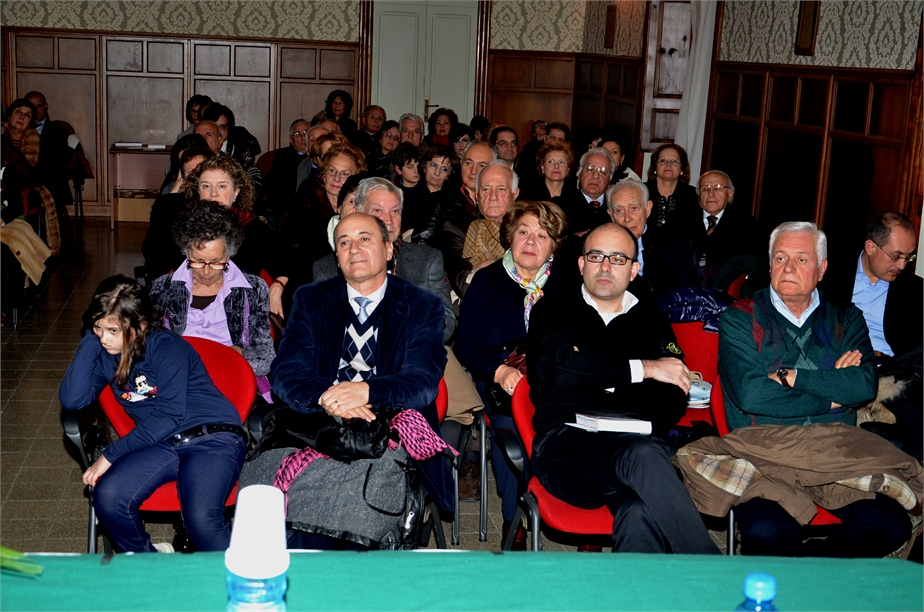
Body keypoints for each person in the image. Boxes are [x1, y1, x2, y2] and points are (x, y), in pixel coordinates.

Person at [255, 213, 452, 545]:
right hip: (317, 420)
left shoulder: (422, 305)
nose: (354, 248)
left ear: (389, 250)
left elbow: (422, 380)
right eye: (344, 242)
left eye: (365, 238)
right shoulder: (311, 299)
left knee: (358, 502)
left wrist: (365, 391)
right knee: (285, 501)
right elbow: (286, 372)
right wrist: (331, 398)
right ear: (337, 257)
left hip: (387, 423)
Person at [717, 221, 911, 557]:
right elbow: (752, 395)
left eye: (802, 259)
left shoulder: (845, 317)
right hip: (765, 454)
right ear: (769, 265)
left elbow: (863, 385)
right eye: (780, 258)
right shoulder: (740, 318)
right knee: (766, 530)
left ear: (822, 269)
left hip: (834, 454)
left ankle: (812, 571)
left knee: (890, 524)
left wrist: (794, 377)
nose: (788, 267)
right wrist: (832, 395)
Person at [526, 222, 720, 554]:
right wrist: (645, 369)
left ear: (633, 270)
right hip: (566, 447)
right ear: (581, 264)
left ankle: (633, 587)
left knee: (640, 511)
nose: (605, 266)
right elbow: (561, 373)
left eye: (617, 259)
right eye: (596, 256)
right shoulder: (551, 310)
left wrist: (591, 374)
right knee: (643, 454)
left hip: (635, 441)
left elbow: (674, 396)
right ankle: (711, 572)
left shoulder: (652, 320)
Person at [59, 275, 248, 553]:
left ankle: (240, 577)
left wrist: (110, 455)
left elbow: (169, 416)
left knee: (200, 519)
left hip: (211, 437)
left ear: (141, 325)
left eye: (113, 330)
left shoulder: (165, 346)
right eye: (99, 327)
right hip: (162, 443)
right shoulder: (106, 355)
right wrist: (89, 339)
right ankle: (151, 566)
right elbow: (73, 400)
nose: (104, 338)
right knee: (109, 496)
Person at [454, 200, 568, 549]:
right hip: (502, 378)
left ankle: (577, 507)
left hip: (556, 377)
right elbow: (466, 344)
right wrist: (499, 370)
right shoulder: (488, 281)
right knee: (513, 427)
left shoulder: (567, 283)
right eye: (524, 232)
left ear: (553, 245)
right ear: (510, 238)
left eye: (542, 235)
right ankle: (514, 519)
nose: (531, 241)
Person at [822, 211, 922, 460]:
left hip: (891, 372)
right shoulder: (829, 275)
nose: (902, 265)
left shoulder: (915, 290)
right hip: (839, 365)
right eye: (896, 256)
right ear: (870, 247)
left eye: (908, 257)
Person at [312, 177, 456, 343]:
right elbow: (322, 326)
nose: (388, 220)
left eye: (394, 211)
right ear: (359, 213)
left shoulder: (427, 260)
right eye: (378, 210)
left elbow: (445, 320)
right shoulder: (328, 268)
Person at [148, 201, 274, 380]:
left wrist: (237, 353)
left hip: (231, 374)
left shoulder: (253, 290)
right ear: (186, 252)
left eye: (216, 262)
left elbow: (266, 357)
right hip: (177, 375)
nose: (206, 272)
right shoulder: (163, 288)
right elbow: (149, 345)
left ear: (229, 254)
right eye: (198, 261)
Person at [184, 155, 289, 318]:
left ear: (236, 192)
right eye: (206, 186)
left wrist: (277, 286)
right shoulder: (184, 228)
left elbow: (288, 263)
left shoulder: (253, 229)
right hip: (192, 310)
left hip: (241, 312)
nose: (213, 194)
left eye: (222, 186)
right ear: (198, 191)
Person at [281, 144, 366, 289]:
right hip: (307, 281)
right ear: (324, 175)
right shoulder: (307, 204)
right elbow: (289, 251)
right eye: (332, 171)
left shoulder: (361, 207)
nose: (337, 178)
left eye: (344, 174)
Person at [606, 179, 697, 300]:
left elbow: (687, 294)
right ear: (611, 216)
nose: (627, 218)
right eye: (619, 211)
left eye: (633, 208)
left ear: (648, 209)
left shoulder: (677, 246)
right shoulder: (600, 247)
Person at [431, 142, 498, 298]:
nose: (473, 171)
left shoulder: (502, 205)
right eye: (468, 163)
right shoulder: (440, 200)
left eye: (482, 165)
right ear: (461, 163)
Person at [682, 169, 764, 287]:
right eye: (705, 188)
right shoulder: (680, 222)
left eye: (718, 188)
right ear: (699, 195)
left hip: (728, 291)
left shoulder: (747, 226)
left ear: (730, 194)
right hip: (684, 290)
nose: (711, 193)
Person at [142, 146, 211, 284]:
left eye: (201, 169)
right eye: (192, 172)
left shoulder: (228, 205)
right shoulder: (168, 206)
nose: (197, 176)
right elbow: (153, 251)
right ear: (183, 178)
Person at [262, 119, 311, 229]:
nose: (303, 138)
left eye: (306, 132)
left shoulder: (319, 157)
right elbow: (271, 187)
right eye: (298, 134)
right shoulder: (282, 156)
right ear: (291, 140)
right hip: (285, 208)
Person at [556, 147, 615, 235]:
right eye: (590, 169)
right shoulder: (560, 206)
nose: (595, 176)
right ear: (579, 175)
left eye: (603, 171)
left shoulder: (615, 208)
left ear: (609, 180)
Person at [644, 143, 698, 229]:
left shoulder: (693, 195)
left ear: (682, 168)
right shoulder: (641, 191)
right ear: (655, 167)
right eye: (663, 161)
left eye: (674, 161)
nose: (668, 164)